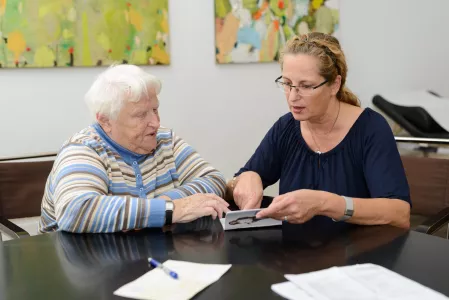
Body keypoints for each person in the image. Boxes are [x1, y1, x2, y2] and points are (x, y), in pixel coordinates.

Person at [228, 33, 411, 229]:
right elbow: (234, 184)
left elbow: (399, 213)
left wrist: (325, 203)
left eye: (306, 86)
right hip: (294, 256)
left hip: (356, 254)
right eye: (287, 84)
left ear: (335, 84)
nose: (292, 97)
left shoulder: (370, 129)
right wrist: (245, 180)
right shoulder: (286, 128)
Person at [39, 64, 229, 233]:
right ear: (105, 121)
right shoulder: (83, 148)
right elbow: (77, 211)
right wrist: (171, 210)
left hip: (144, 257)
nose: (155, 122)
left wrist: (165, 203)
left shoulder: (164, 140)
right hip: (80, 263)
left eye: (155, 109)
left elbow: (214, 180)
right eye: (140, 115)